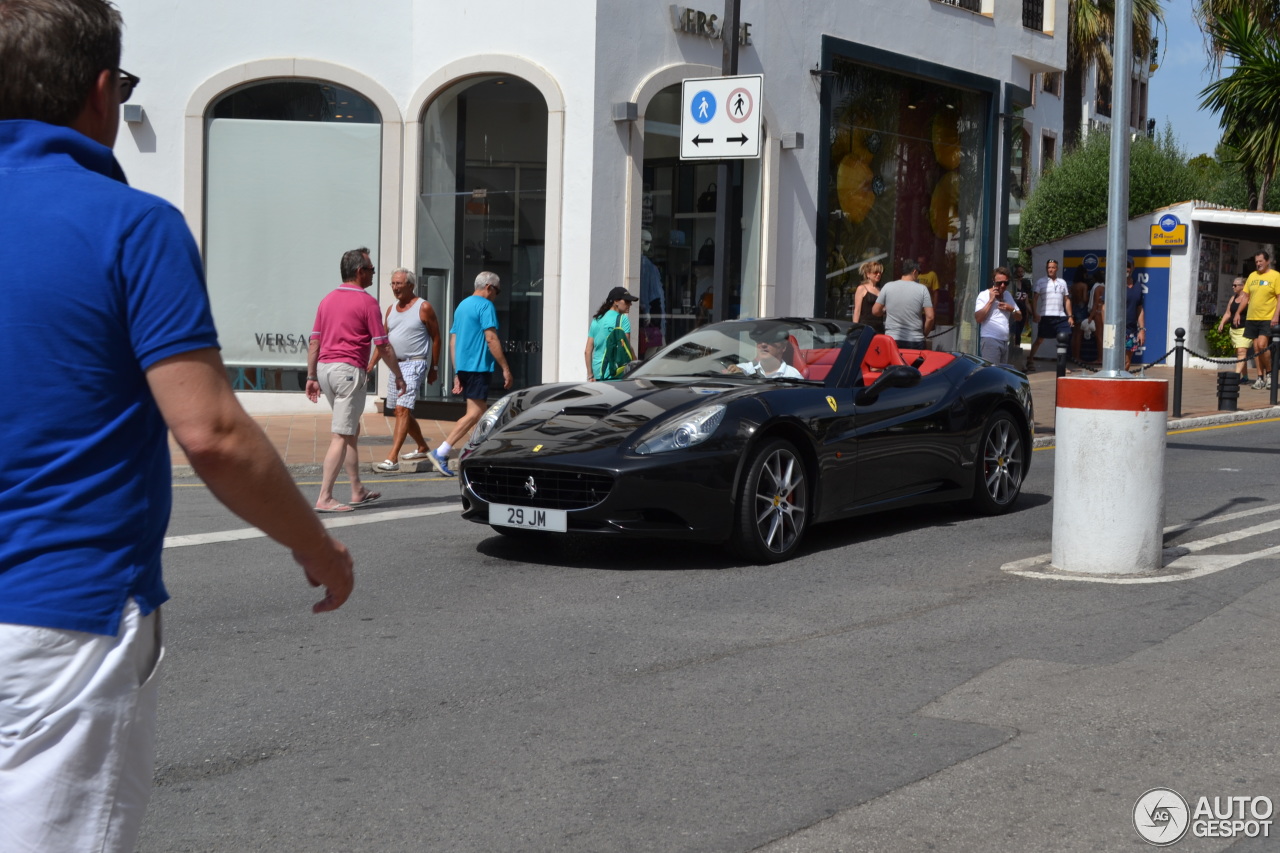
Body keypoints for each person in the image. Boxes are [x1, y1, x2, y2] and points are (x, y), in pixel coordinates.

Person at [0, 2, 354, 850]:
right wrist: (318, 547)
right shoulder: (131, 225)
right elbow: (212, 433)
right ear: (99, 92)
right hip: (61, 613)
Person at [306, 248, 405, 511]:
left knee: (351, 431)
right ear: (360, 272)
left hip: (326, 370)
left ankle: (357, 489)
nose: (374, 274)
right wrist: (398, 375)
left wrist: (311, 376)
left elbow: (314, 340)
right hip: (348, 372)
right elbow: (383, 345)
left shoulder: (327, 300)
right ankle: (325, 497)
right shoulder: (367, 302)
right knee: (341, 434)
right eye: (371, 270)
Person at [429, 272, 513, 476]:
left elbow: (453, 342)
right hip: (478, 368)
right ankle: (442, 451)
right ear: (488, 287)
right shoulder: (486, 306)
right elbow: (491, 338)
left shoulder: (462, 305)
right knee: (475, 414)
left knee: (482, 414)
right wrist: (505, 368)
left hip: (465, 367)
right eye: (497, 290)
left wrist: (457, 372)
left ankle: (476, 455)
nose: (496, 295)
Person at [371, 267, 442, 472]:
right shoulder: (391, 309)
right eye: (393, 284)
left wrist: (434, 367)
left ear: (410, 285)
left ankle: (392, 458)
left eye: (399, 284)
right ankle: (422, 446)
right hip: (396, 365)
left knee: (403, 409)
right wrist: (370, 365)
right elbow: (382, 341)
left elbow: (436, 337)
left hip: (415, 362)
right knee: (398, 409)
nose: (395, 288)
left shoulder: (424, 307)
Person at [872, 258, 934, 349]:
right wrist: (924, 333)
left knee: (893, 364)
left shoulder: (888, 287)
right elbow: (930, 317)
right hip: (915, 340)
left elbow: (875, 311)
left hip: (892, 339)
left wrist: (885, 311)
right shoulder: (922, 289)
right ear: (914, 271)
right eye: (918, 273)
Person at [1025, 258, 1073, 372]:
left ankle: (1062, 365)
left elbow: (1067, 300)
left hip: (1061, 316)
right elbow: (1035, 298)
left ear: (1057, 268)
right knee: (1040, 340)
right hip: (1046, 315)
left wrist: (1070, 316)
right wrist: (1035, 313)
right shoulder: (1041, 282)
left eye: (1052, 267)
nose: (1050, 269)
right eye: (1048, 267)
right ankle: (1030, 360)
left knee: (1065, 339)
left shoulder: (1062, 282)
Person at [1243, 251, 1280, 389]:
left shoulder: (1276, 276)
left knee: (1263, 345)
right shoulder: (1252, 276)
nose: (1258, 263)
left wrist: (1276, 316)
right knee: (1256, 347)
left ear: (1267, 261)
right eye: (1256, 261)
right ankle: (1260, 377)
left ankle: (1270, 374)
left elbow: (1279, 297)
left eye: (1260, 261)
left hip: (1267, 316)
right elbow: (1246, 296)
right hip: (1252, 316)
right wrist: (1237, 313)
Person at [585, 286, 639, 380]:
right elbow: (626, 347)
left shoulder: (597, 319)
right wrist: (637, 366)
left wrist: (590, 375)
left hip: (598, 372)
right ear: (616, 301)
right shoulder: (623, 320)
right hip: (615, 372)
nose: (630, 304)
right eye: (627, 301)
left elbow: (587, 351)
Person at [974, 267, 1021, 364]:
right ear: (994, 282)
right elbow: (978, 318)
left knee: (1001, 374)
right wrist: (991, 301)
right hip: (990, 340)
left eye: (1006, 283)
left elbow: (1019, 317)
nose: (1003, 286)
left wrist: (1011, 309)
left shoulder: (1007, 295)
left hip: (1004, 341)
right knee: (992, 374)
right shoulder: (984, 295)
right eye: (999, 283)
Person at [726, 326, 804, 378]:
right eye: (759, 341)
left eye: (770, 340)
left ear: (783, 348)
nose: (763, 345)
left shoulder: (793, 376)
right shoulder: (747, 369)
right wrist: (735, 372)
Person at [1217, 277, 1251, 382]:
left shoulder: (1249, 298)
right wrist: (1222, 323)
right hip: (1234, 329)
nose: (1233, 287)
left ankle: (1235, 377)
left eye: (1235, 285)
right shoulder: (1233, 298)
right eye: (1233, 285)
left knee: (1241, 351)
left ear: (1243, 286)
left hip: (1245, 328)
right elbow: (1228, 313)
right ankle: (1245, 377)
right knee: (1240, 353)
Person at [639, 229, 665, 353]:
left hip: (652, 315)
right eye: (646, 242)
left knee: (658, 350)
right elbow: (649, 294)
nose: (648, 245)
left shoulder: (648, 266)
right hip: (649, 316)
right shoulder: (645, 266)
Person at [851, 259, 885, 334]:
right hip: (866, 327)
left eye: (880, 272)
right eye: (875, 272)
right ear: (868, 274)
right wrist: (854, 328)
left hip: (879, 327)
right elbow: (857, 310)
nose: (878, 274)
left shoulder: (880, 290)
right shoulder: (862, 288)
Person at [1123, 261, 1146, 371]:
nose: (1127, 269)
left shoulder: (1137, 285)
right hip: (1116, 331)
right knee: (1114, 362)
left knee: (1127, 362)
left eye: (1129, 266)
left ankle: (1121, 385)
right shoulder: (1114, 284)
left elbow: (1139, 308)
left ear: (1133, 268)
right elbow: (1104, 307)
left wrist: (1141, 330)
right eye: (1124, 266)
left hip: (1131, 331)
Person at [1008, 263, 1032, 360]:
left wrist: (1032, 313)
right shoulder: (1012, 284)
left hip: (1022, 312)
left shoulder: (1025, 284)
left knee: (1018, 333)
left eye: (1022, 272)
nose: (1020, 274)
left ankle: (1016, 355)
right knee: (1013, 332)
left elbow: (1026, 302)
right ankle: (1011, 352)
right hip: (1013, 311)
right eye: (1018, 272)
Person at [1069, 269, 1092, 362]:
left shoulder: (1073, 286)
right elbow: (1084, 299)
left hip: (1074, 308)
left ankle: (1074, 355)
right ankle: (1077, 357)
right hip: (1082, 309)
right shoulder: (1084, 285)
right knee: (1079, 334)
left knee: (1074, 334)